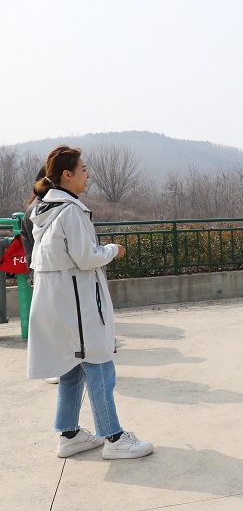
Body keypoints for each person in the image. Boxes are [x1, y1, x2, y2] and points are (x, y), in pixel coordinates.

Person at [27, 145, 153, 459]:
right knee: (100, 367)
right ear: (67, 175)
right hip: (77, 305)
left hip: (59, 302)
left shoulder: (45, 211)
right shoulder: (70, 211)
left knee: (71, 369)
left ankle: (69, 434)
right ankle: (114, 438)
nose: (88, 175)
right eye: (83, 170)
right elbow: (86, 258)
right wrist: (113, 250)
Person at [20, 166, 61, 384]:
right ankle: (49, 368)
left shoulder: (40, 207)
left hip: (43, 271)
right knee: (48, 322)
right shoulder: (39, 210)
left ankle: (56, 366)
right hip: (44, 272)